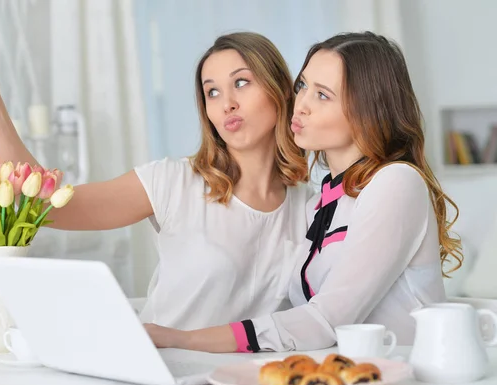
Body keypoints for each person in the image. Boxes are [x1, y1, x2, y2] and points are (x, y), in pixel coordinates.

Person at [0, 32, 312, 330]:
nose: (226, 102)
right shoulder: (175, 182)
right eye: (212, 91)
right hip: (159, 376)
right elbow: (50, 204)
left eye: (241, 83)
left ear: (279, 89)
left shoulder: (311, 207)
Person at [143, 31, 463, 352]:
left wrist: (181, 339)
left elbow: (325, 320)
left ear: (369, 111)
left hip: (411, 380)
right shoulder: (317, 205)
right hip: (344, 377)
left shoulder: (396, 183)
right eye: (302, 86)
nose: (301, 105)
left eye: (323, 95)